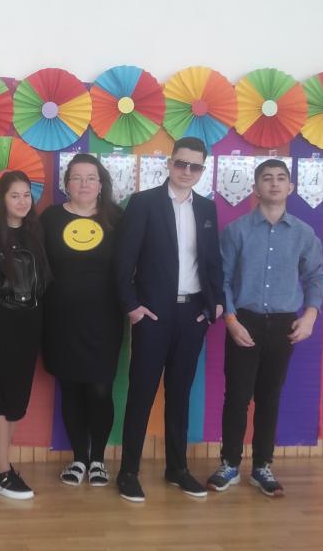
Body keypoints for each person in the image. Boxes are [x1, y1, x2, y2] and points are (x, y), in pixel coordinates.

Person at [113, 136, 224, 503]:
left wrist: (214, 305)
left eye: (195, 166)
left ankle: (177, 469)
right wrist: (132, 307)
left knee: (180, 394)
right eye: (181, 163)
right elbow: (123, 261)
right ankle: (128, 472)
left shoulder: (206, 208)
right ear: (170, 163)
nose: (187, 171)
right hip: (153, 315)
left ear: (202, 170)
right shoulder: (143, 203)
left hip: (193, 315)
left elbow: (212, 262)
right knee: (141, 393)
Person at [208, 159, 323, 498]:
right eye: (267, 178)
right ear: (256, 188)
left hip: (284, 324)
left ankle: (262, 466)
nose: (274, 183)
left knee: (269, 397)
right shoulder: (237, 231)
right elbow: (222, 280)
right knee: (237, 396)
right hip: (244, 321)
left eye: (281, 178)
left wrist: (310, 316)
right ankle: (230, 464)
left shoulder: (304, 233)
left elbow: (315, 277)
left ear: (290, 187)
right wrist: (231, 321)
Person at [41, 153, 124, 489]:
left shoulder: (116, 218)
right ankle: (78, 458)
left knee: (100, 389)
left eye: (91, 178)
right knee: (71, 388)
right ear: (66, 184)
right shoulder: (50, 218)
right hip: (60, 319)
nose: (84, 184)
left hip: (105, 320)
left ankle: (98, 459)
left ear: (101, 184)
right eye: (77, 177)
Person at [0, 170, 51, 500]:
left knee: (18, 399)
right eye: (14, 195)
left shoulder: (35, 232)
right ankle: (2, 473)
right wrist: (4, 283)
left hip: (30, 323)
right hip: (1, 324)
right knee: (4, 398)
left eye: (26, 195)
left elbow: (42, 280)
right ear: (2, 199)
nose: (22, 201)